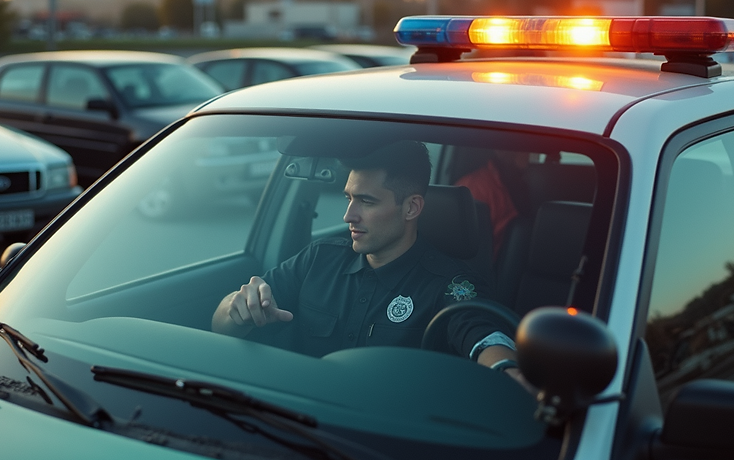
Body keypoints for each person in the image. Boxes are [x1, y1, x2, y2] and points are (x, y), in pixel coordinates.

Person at [212, 140, 520, 377]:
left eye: (366, 202)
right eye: (348, 198)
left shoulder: (449, 283)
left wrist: (507, 370)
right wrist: (238, 309)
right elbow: (222, 324)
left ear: (411, 208)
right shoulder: (319, 259)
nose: (349, 216)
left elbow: (481, 333)